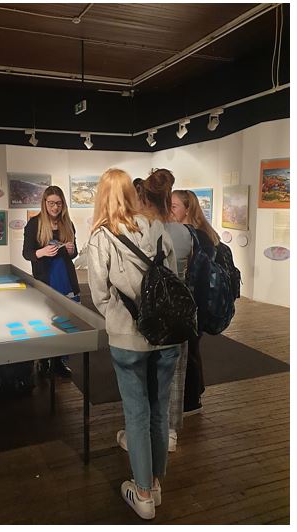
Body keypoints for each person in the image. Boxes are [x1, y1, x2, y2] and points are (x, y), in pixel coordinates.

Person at [87, 168, 180, 520]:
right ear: (131, 193)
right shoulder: (157, 229)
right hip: (167, 336)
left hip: (128, 339)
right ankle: (155, 485)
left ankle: (142, 494)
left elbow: (99, 294)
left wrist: (121, 319)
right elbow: (173, 280)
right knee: (159, 411)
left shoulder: (101, 237)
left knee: (137, 414)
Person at [116, 169, 194, 453]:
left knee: (142, 383)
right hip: (178, 313)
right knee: (171, 380)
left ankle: (140, 439)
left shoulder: (141, 232)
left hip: (146, 315)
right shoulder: (183, 233)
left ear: (143, 199)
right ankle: (168, 434)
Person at [22, 185, 79, 379]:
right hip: (46, 280)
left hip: (66, 280)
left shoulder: (67, 224)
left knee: (65, 323)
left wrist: (72, 251)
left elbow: (74, 254)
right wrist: (42, 252)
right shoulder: (34, 224)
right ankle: (44, 361)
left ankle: (58, 362)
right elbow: (27, 253)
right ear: (44, 203)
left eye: (59, 203)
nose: (55, 207)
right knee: (47, 323)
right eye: (51, 203)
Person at [172, 189, 219, 415]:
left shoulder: (196, 236)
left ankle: (191, 401)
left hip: (194, 303)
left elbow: (197, 274)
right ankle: (196, 392)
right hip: (197, 302)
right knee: (193, 349)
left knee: (189, 351)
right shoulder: (202, 234)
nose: (169, 210)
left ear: (187, 209)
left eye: (174, 206)